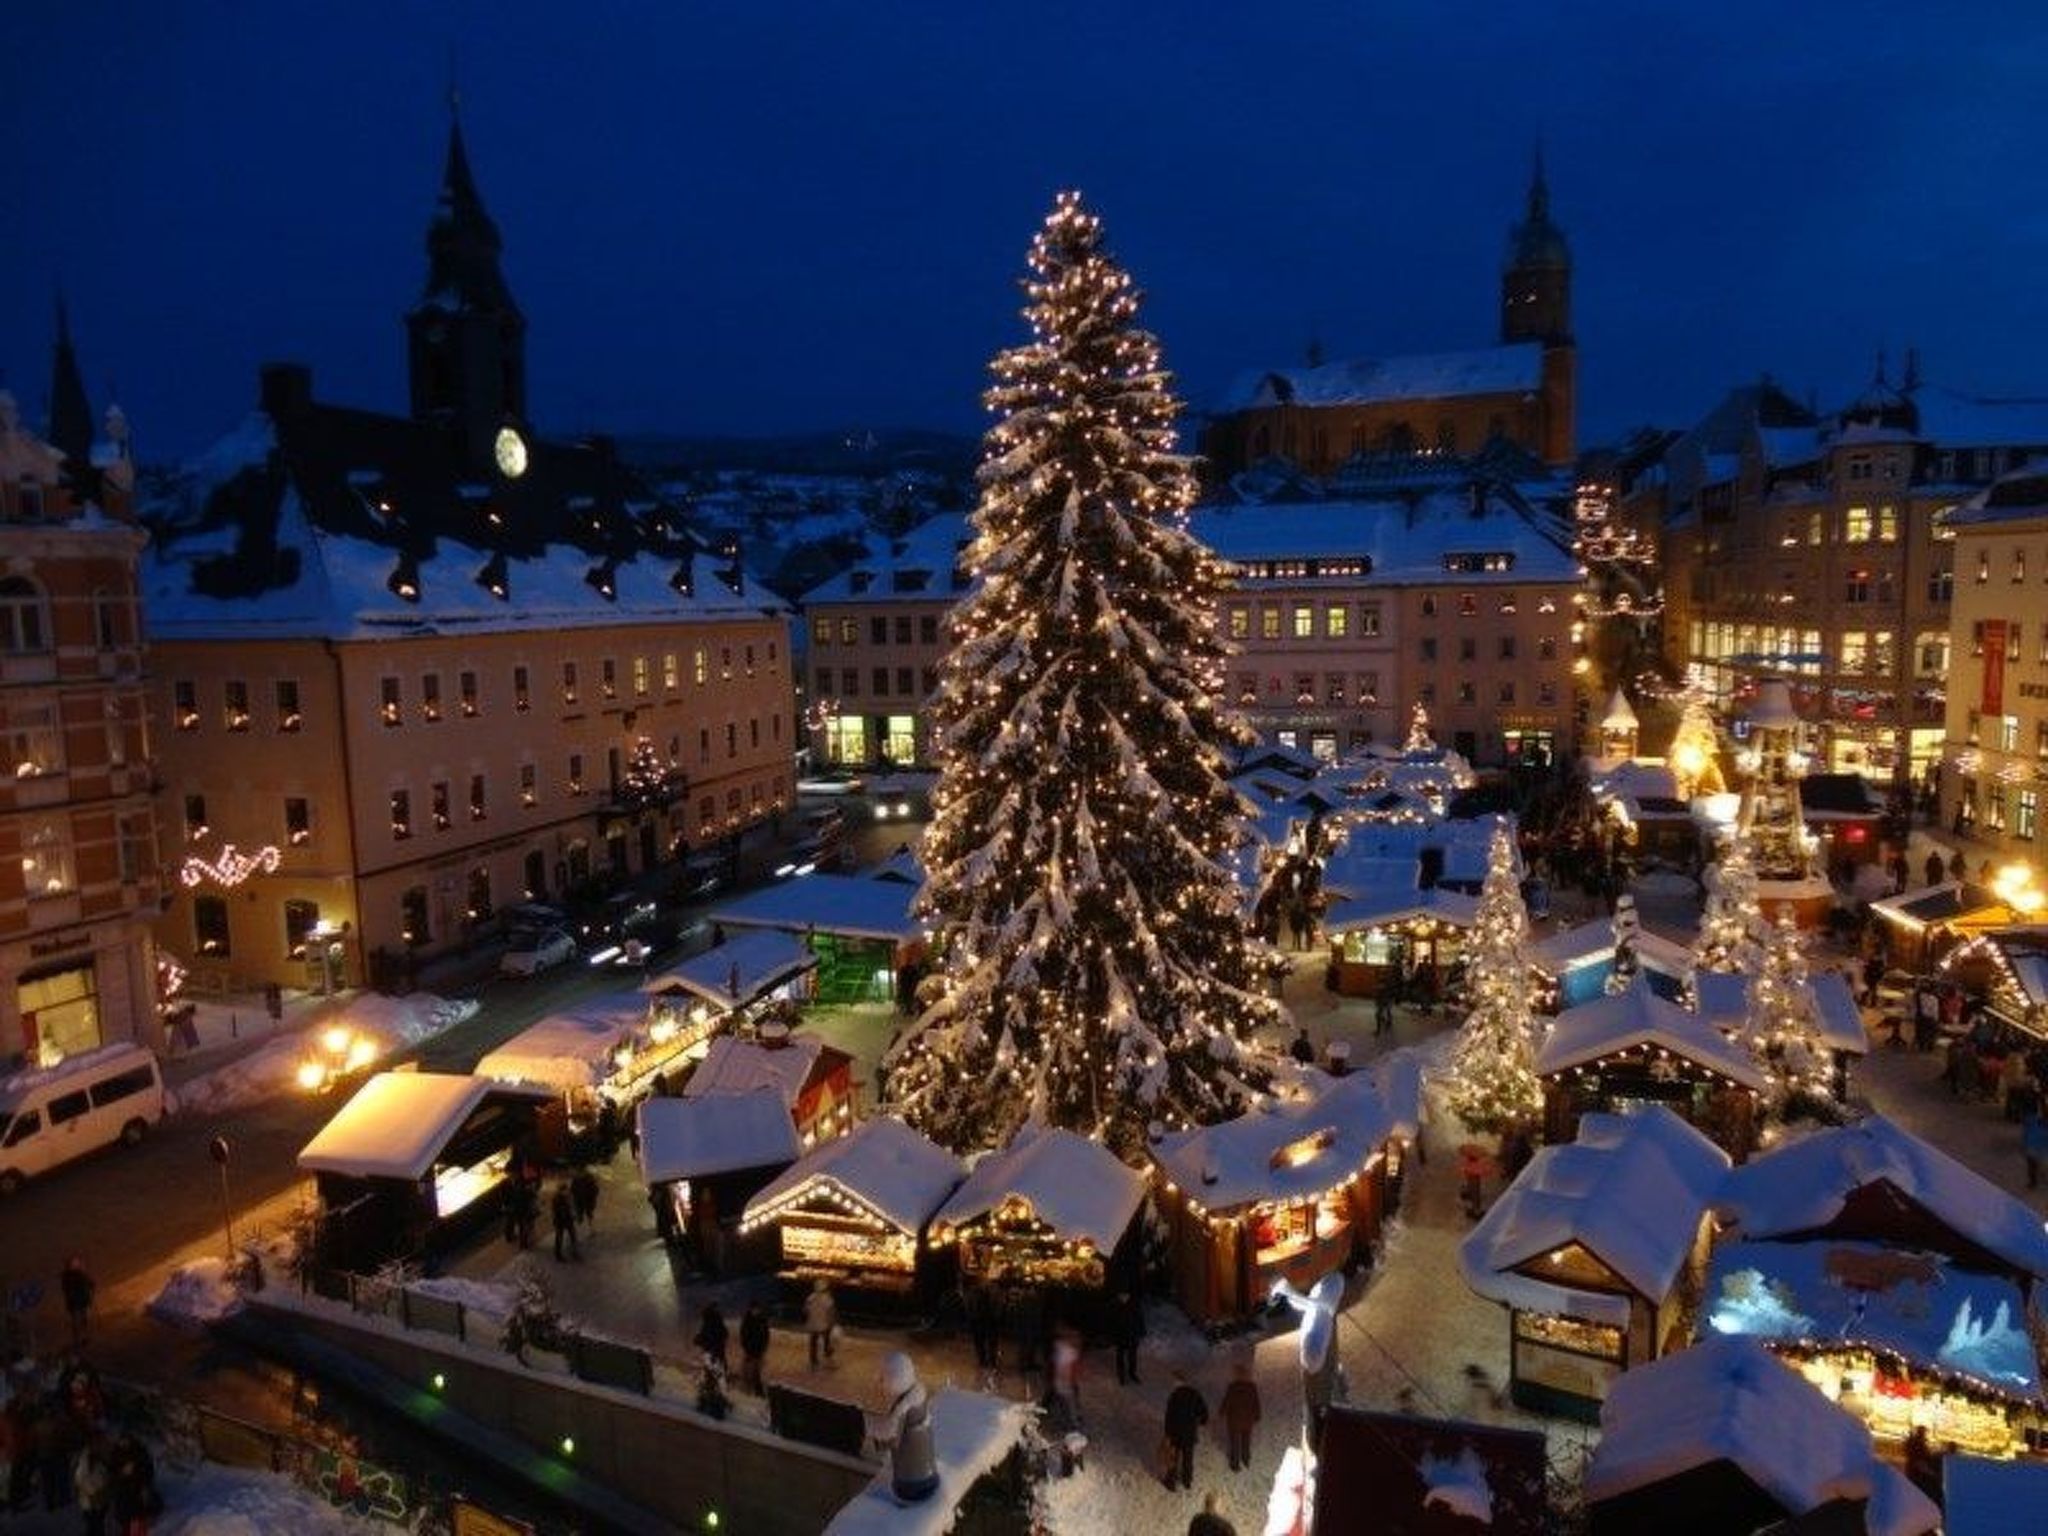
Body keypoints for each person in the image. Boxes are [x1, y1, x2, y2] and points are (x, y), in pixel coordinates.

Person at [875, 1352, 940, 1505]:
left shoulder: (902, 1410)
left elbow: (892, 1441)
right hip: (928, 1472)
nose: (880, 1381)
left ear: (895, 1379)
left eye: (883, 1378)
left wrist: (875, 1440)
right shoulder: (918, 1399)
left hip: (910, 1483)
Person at [1162, 1371, 1209, 1491]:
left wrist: (1167, 1433)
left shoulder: (1174, 1396)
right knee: (1188, 1457)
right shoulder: (1195, 1394)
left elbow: (1169, 1417)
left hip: (1176, 1434)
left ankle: (1171, 1482)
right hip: (1190, 1433)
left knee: (1174, 1457)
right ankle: (1187, 1480)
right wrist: (1202, 1421)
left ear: (1177, 1382)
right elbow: (1203, 1411)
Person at [1219, 1361, 1261, 1473]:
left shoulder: (1232, 1387)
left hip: (1234, 1420)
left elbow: (1227, 1401)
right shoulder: (1252, 1387)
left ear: (1236, 1374)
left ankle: (1235, 1464)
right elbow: (1256, 1402)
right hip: (1248, 1420)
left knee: (1234, 1442)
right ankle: (1246, 1459)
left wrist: (1222, 1412)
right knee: (1246, 1440)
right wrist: (1257, 1416)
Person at [74, 1435, 111, 1536]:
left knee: (98, 1525)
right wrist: (93, 1492)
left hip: (99, 1500)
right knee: (94, 1525)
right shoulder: (84, 1461)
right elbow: (80, 1479)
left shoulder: (101, 1460)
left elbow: (106, 1477)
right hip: (91, 1501)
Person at [1109, 1288, 1144, 1384]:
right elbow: (1111, 1322)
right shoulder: (1115, 1305)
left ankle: (1132, 1374)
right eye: (1121, 1295)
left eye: (1125, 1295)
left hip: (1132, 1334)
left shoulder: (1134, 1304)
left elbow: (1139, 1318)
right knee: (1120, 1357)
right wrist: (1112, 1335)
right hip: (1120, 1335)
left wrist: (1141, 1331)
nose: (1123, 1297)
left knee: (1132, 1356)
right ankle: (1121, 1376)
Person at [60, 1259, 95, 1351]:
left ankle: (82, 1338)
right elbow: (89, 1284)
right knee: (78, 1321)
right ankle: (79, 1339)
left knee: (82, 1320)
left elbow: (90, 1284)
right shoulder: (70, 1276)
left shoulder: (73, 1275)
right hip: (77, 1301)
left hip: (79, 1300)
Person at [738, 1301, 771, 1394]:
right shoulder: (747, 1320)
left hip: (759, 1350)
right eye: (754, 1309)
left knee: (757, 1370)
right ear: (751, 1309)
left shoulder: (762, 1320)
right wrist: (747, 1348)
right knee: (749, 1370)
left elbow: (766, 1334)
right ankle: (748, 1388)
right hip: (750, 1350)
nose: (756, 1311)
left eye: (757, 1309)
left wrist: (764, 1346)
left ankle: (757, 1389)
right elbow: (743, 1335)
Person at [804, 1277, 838, 1368]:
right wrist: (832, 1322)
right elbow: (831, 1312)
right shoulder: (828, 1299)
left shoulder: (810, 1298)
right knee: (827, 1341)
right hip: (825, 1324)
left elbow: (805, 1310)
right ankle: (828, 1358)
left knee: (813, 1342)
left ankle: (813, 1360)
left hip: (812, 1323)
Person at [967, 1284, 1001, 1371]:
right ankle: (991, 1360)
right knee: (990, 1342)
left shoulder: (973, 1296)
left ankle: (984, 1360)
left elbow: (970, 1308)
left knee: (981, 1342)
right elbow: (996, 1308)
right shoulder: (991, 1295)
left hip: (979, 1321)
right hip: (988, 1321)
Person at [694, 1301, 729, 1373]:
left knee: (711, 1364)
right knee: (717, 1363)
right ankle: (719, 1376)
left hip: (711, 1347)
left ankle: (712, 1378)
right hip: (716, 1347)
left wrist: (698, 1340)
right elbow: (724, 1332)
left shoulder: (709, 1321)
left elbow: (704, 1334)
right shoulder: (716, 1320)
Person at [550, 1182, 580, 1262]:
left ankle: (574, 1252)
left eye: (567, 1190)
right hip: (560, 1221)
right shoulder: (557, 1199)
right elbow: (557, 1211)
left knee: (573, 1236)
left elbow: (571, 1207)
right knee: (559, 1238)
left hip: (568, 1220)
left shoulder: (568, 1197)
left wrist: (572, 1214)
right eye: (565, 1190)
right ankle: (558, 1254)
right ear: (561, 1191)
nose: (567, 1192)